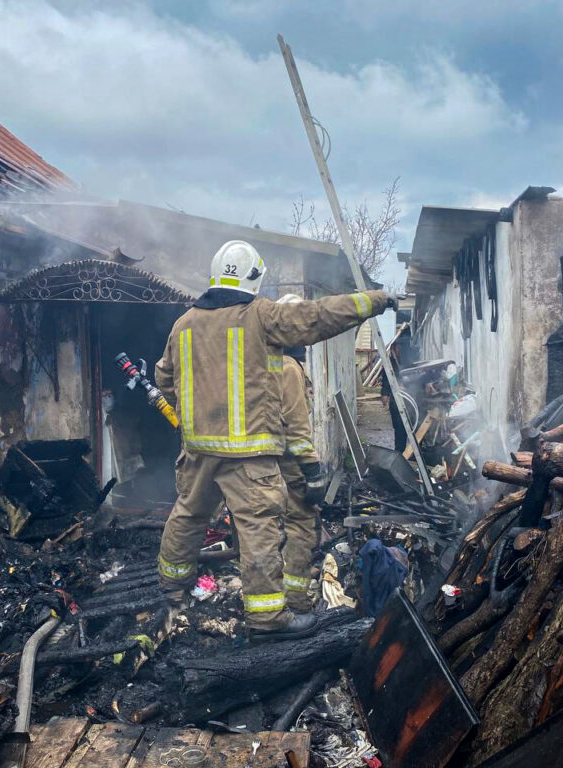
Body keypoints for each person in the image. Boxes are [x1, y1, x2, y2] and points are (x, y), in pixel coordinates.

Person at [155, 240, 394, 640]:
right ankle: (267, 619)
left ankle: (172, 588)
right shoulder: (260, 316)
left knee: (188, 516)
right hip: (249, 454)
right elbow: (318, 317)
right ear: (254, 278)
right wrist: (376, 299)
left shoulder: (183, 324)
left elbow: (165, 379)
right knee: (258, 531)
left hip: (197, 450)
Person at [274, 295, 324, 614]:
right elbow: (296, 425)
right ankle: (296, 599)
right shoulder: (289, 368)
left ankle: (270, 590)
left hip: (263, 459)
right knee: (301, 521)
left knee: (267, 525)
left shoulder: (264, 361)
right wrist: (313, 470)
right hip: (287, 459)